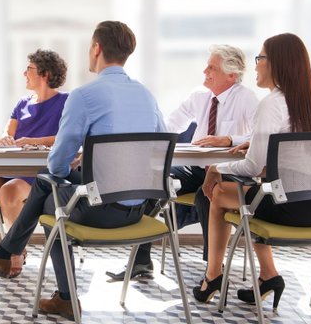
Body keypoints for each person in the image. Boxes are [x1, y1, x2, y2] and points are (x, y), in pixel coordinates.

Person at [0, 20, 166, 320]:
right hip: (139, 210)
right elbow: (157, 151)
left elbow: (57, 164)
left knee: (50, 191)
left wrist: (73, 162)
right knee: (50, 187)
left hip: (99, 209)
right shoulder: (147, 96)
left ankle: (36, 275)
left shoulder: (84, 96)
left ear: (96, 48)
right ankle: (9, 257)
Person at [194, 33, 311, 310]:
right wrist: (258, 147)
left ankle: (212, 277)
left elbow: (251, 166)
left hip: (293, 207)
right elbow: (282, 154)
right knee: (248, 199)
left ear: (276, 64)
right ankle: (268, 275)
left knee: (218, 193)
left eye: (260, 58)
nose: (256, 65)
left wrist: (215, 167)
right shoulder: (306, 101)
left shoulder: (271, 103)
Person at [106, 45, 258, 281]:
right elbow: (170, 126)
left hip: (228, 172)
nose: (205, 70)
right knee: (154, 182)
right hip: (197, 169)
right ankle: (141, 261)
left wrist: (229, 139)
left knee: (209, 195)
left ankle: (213, 272)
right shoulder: (199, 95)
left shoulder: (247, 98)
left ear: (231, 74)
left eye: (212, 67)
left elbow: (260, 137)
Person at [0, 49, 69, 292]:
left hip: (38, 172)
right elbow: (6, 131)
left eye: (29, 69)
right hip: (9, 165)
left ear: (45, 73)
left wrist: (34, 140)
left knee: (9, 192)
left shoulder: (65, 101)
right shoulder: (22, 103)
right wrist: (4, 139)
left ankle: (14, 251)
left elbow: (67, 136)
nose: (24, 73)